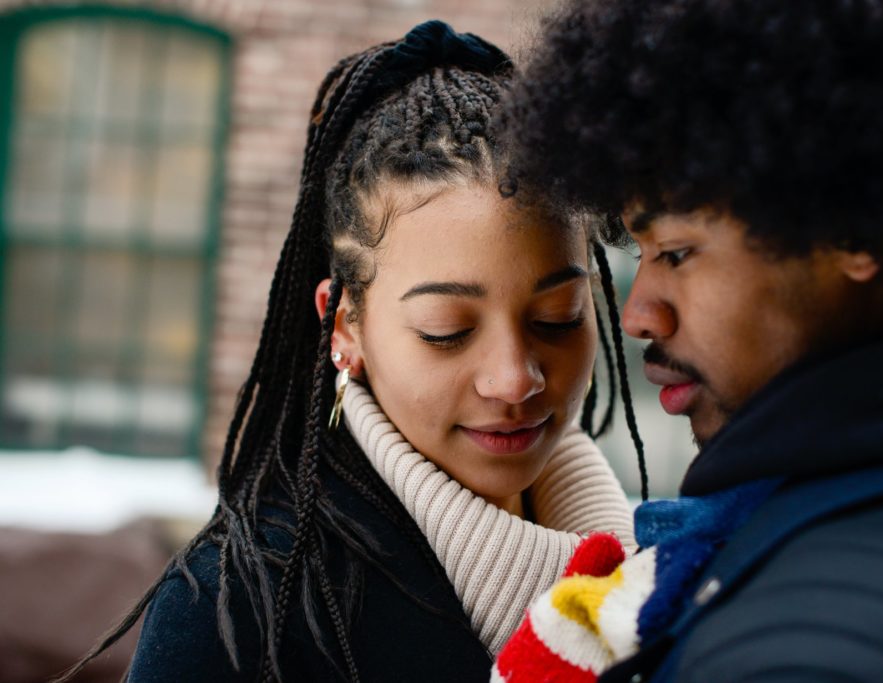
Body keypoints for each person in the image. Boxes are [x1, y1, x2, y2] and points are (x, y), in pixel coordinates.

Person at [57, 21, 637, 683]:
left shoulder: (657, 574)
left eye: (555, 317)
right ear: (344, 325)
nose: (514, 378)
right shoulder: (240, 611)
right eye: (447, 329)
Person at [492, 0, 883, 681]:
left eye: (677, 252)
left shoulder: (810, 646)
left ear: (856, 228)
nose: (638, 315)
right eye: (638, 252)